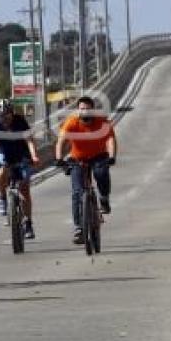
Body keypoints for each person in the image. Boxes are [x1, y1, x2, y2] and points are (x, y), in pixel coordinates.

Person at [54, 96, 117, 245]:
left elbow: (110, 139)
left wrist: (112, 156)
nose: (85, 111)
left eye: (88, 108)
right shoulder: (71, 122)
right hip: (78, 159)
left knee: (101, 172)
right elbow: (61, 142)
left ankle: (104, 198)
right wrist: (59, 159)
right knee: (77, 192)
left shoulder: (101, 121)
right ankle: (78, 228)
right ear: (78, 110)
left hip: (98, 156)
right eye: (82, 109)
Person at [0, 98, 40, 239]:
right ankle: (2, 199)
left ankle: (28, 223)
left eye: (6, 115)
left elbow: (29, 140)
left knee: (24, 189)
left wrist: (34, 156)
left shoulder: (20, 122)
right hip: (3, 153)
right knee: (2, 170)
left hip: (21, 154)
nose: (4, 118)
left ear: (12, 113)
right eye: (0, 115)